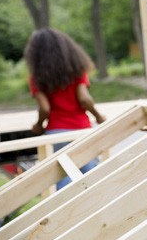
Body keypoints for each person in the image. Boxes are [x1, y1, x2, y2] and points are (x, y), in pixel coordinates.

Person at [23, 28, 106, 189]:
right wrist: (98, 116)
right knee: (91, 177)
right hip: (82, 131)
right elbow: (84, 99)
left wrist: (39, 125)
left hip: (57, 134)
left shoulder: (36, 78)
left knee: (63, 181)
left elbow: (45, 109)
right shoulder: (77, 70)